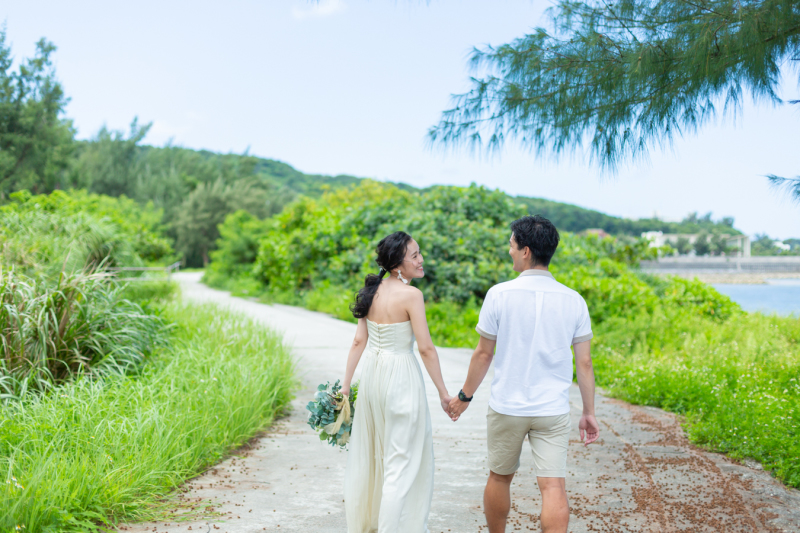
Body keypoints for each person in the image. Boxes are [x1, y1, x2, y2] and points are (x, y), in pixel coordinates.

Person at [448, 215, 600, 533]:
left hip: (507, 406)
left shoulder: (499, 295)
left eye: (512, 245)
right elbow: (583, 364)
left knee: (499, 477)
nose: (510, 251)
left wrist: (464, 397)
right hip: (553, 410)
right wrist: (589, 412)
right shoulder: (575, 301)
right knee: (553, 486)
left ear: (526, 251)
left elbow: (483, 354)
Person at [341, 231, 453, 533]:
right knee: (400, 465)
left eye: (419, 253)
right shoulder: (411, 296)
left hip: (372, 380)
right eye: (414, 256)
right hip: (401, 378)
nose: (421, 260)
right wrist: (444, 394)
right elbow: (426, 348)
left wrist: (344, 385)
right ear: (397, 266)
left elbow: (358, 342)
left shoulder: (370, 290)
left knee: (377, 458)